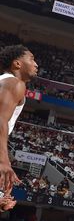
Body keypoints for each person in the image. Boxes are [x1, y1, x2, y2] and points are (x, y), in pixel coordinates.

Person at [0, 45, 38, 210]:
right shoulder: (15, 83)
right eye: (31, 59)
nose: (36, 64)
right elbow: (0, 120)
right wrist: (3, 160)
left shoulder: (4, 81)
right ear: (17, 64)